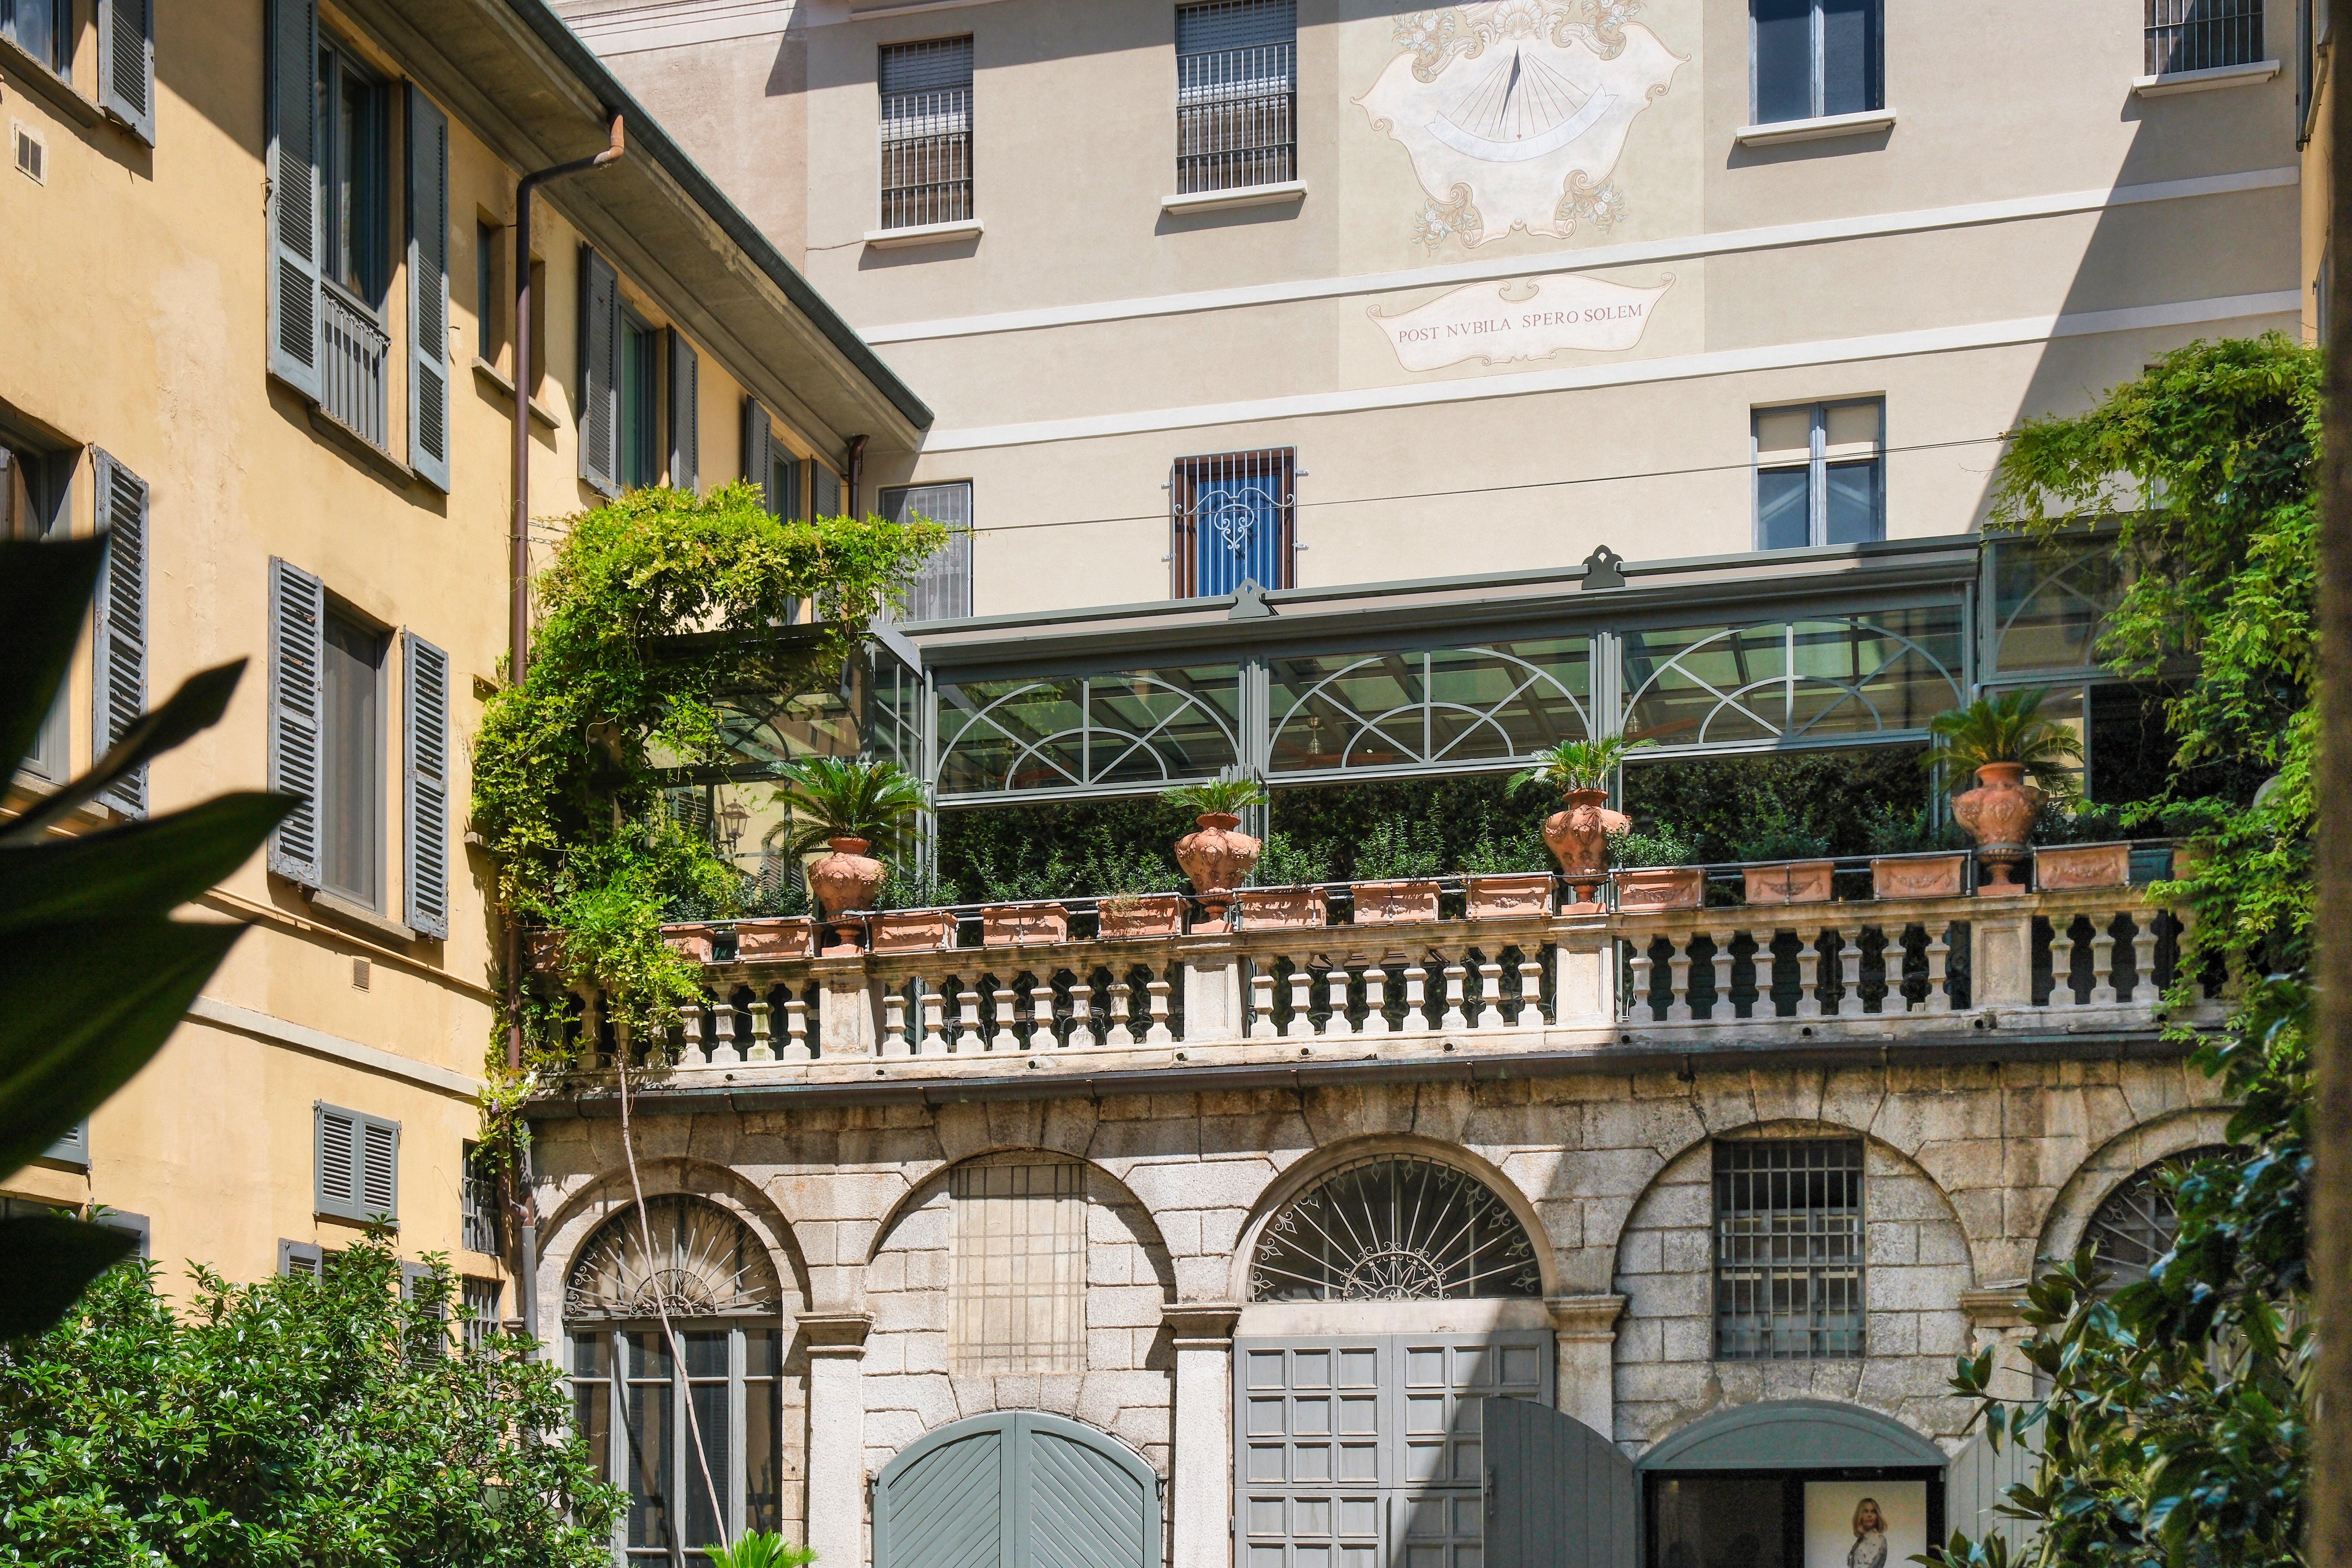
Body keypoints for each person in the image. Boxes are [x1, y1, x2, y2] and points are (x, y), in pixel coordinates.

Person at [1847, 1496, 1888, 1568]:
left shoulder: (1878, 1539)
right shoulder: (1862, 1540)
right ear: (1860, 1515)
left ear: (1878, 1516)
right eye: (1866, 1512)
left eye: (1873, 1512)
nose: (1870, 1515)